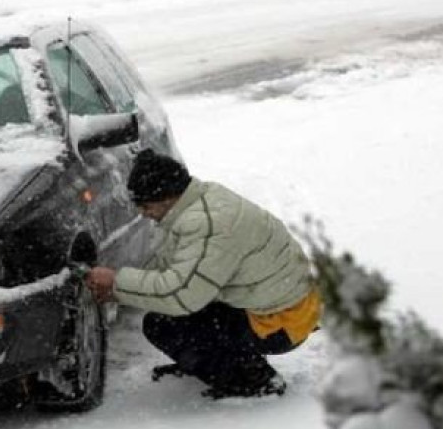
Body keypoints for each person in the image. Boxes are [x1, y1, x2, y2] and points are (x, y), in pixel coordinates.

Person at [85, 149, 320, 399]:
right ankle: (227, 362)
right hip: (276, 304)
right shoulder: (200, 201)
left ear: (167, 197)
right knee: (186, 315)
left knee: (164, 325)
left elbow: (182, 294)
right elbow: (172, 265)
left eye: (145, 205)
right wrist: (119, 291)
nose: (143, 213)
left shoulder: (206, 222)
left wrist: (117, 282)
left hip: (282, 322)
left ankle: (252, 379)